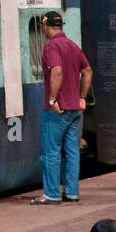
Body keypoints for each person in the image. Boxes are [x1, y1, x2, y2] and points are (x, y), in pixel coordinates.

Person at [33, 11, 91, 205]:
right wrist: (82, 97)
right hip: (74, 108)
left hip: (58, 110)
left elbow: (56, 71)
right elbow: (87, 71)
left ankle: (51, 193)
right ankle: (72, 192)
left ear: (45, 27)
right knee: (72, 151)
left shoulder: (51, 46)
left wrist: (52, 100)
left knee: (51, 151)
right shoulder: (72, 45)